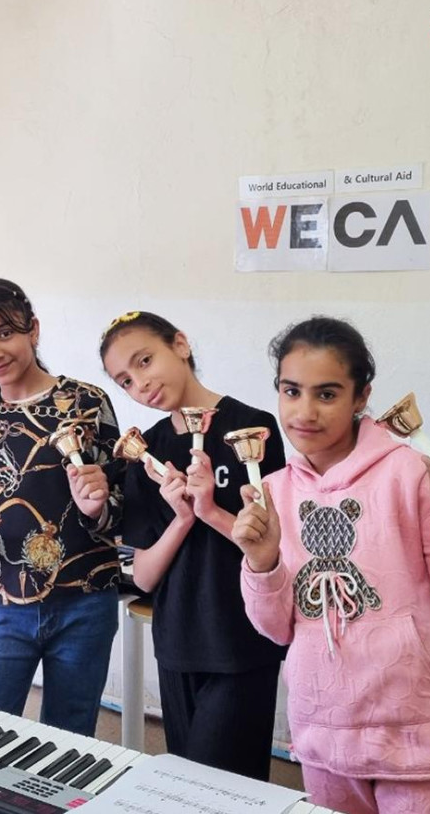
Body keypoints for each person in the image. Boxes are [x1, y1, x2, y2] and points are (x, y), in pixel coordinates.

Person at [232, 316, 430, 814]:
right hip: (324, 733)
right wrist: (262, 564)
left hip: (420, 734)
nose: (304, 411)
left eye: (327, 394)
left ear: (362, 397)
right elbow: (274, 630)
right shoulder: (272, 492)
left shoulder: (413, 473)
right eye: (291, 391)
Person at [100, 310, 286, 778]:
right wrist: (182, 519)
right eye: (125, 381)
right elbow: (144, 576)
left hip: (242, 640)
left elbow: (275, 547)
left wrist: (210, 511)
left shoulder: (253, 428)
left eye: (145, 361)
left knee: (228, 788)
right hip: (177, 643)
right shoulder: (147, 452)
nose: (140, 384)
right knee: (188, 786)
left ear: (180, 345)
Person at [0, 277, 122, 736]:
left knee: (70, 737)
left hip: (86, 601)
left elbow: (124, 503)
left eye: (5, 333)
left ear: (34, 329)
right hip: (5, 606)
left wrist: (99, 507)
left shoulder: (86, 403)